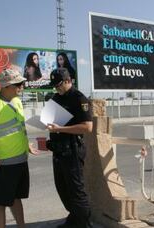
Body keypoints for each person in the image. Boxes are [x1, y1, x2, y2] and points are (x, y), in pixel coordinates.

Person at [0, 68, 38, 228]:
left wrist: (28, 145)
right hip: (4, 163)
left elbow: (20, 128)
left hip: (21, 159)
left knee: (16, 197)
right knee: (2, 201)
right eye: (18, 84)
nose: (22, 87)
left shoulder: (17, 101)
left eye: (22, 83)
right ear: (6, 86)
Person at [46, 68, 93, 228]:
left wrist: (60, 129)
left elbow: (87, 127)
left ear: (68, 81)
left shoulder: (79, 99)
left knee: (77, 193)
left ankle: (84, 224)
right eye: (54, 86)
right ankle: (74, 220)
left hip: (72, 150)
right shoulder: (56, 98)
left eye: (58, 85)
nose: (56, 89)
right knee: (63, 189)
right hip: (58, 151)